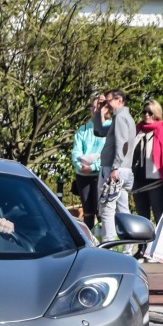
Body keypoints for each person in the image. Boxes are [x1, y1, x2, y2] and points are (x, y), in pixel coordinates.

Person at [130, 99, 163, 256]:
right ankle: (142, 248)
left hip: (156, 181)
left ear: (156, 114)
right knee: (142, 218)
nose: (146, 115)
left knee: (160, 216)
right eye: (144, 112)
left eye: (150, 112)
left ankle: (162, 250)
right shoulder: (137, 130)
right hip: (138, 180)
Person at [93, 89, 136, 244]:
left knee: (107, 210)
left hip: (115, 169)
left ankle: (108, 244)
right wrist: (99, 112)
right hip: (124, 170)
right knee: (123, 209)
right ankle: (128, 246)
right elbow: (99, 131)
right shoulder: (124, 117)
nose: (107, 104)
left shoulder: (120, 118)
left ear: (119, 100)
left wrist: (114, 168)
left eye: (108, 101)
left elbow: (122, 144)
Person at [70, 95, 107, 230]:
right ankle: (90, 242)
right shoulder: (83, 130)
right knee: (88, 212)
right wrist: (81, 166)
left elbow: (109, 154)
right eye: (93, 107)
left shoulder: (109, 129)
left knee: (102, 212)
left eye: (99, 107)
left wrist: (93, 167)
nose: (95, 109)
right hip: (83, 175)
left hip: (100, 175)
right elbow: (76, 152)